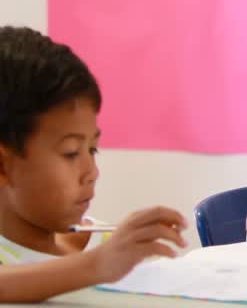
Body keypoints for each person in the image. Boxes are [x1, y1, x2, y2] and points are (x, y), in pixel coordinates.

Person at [0, 26, 186, 303]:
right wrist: (97, 265)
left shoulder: (100, 242)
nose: (92, 173)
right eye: (71, 153)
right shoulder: (99, 260)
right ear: (3, 166)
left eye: (93, 149)